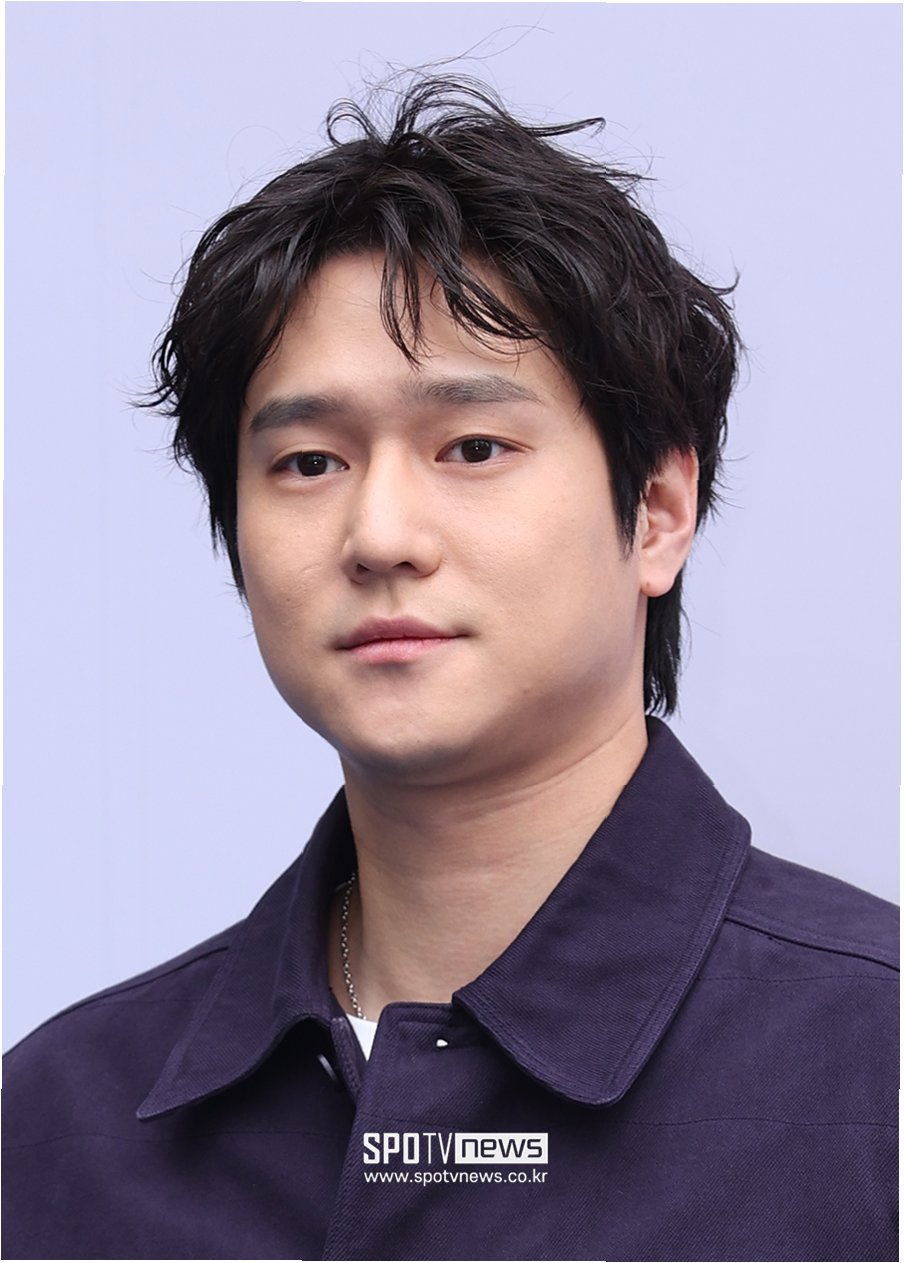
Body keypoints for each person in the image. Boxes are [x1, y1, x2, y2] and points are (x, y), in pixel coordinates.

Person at [3, 75, 897, 1263]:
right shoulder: (61, 1126)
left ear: (658, 512)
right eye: (308, 463)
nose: (380, 536)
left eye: (472, 446)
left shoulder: (870, 1072)